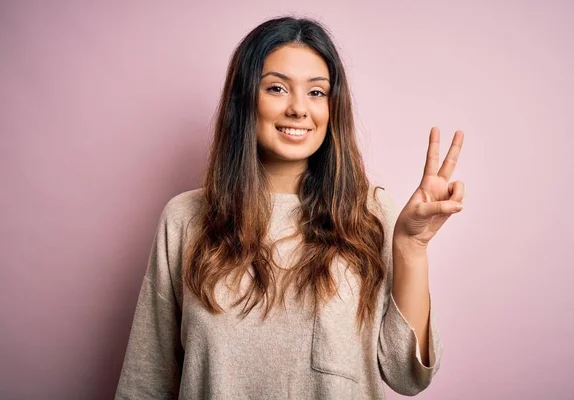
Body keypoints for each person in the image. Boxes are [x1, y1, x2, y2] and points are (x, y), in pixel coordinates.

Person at [115, 15, 465, 400]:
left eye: (317, 92)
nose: (299, 109)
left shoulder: (371, 213)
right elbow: (145, 382)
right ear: (245, 98)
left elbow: (407, 375)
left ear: (333, 107)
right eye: (277, 88)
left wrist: (412, 247)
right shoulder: (185, 218)